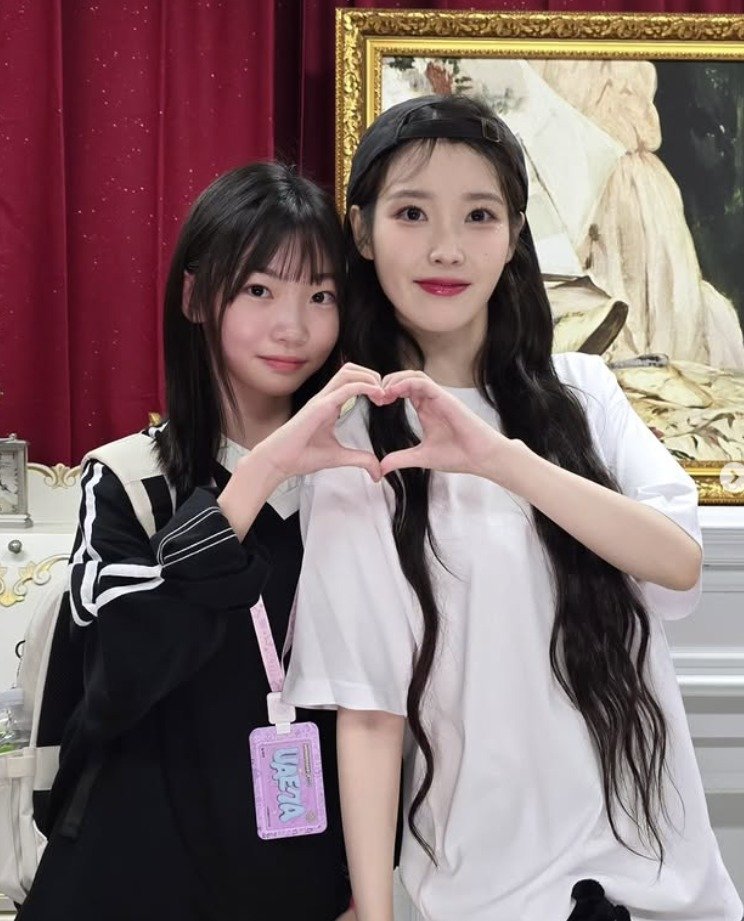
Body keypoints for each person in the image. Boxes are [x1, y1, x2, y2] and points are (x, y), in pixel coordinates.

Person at [282, 96, 743, 920]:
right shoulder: (354, 446)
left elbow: (677, 558)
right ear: (362, 231)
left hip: (659, 888)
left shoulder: (586, 394)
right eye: (411, 213)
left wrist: (502, 458)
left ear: (515, 232)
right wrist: (375, 912)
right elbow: (369, 710)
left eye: (480, 215)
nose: (447, 248)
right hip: (480, 894)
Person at [17, 162, 385, 921]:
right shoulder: (126, 479)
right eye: (259, 290)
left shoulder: (356, 483)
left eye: (320, 295)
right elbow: (123, 669)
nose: (294, 326)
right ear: (194, 297)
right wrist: (264, 471)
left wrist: (371, 885)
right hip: (128, 877)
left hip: (298, 878)